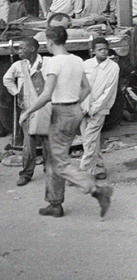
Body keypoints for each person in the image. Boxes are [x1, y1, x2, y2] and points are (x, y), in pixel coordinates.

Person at [19, 25, 113, 218]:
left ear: (50, 42)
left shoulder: (53, 63)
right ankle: (55, 203)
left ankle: (96, 189)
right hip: (74, 110)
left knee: (59, 162)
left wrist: (27, 111)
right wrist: (74, 102)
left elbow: (46, 94)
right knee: (54, 159)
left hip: (61, 112)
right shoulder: (77, 60)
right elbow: (86, 88)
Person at [3, 37, 49, 187]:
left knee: (48, 142)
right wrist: (17, 92)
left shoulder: (47, 63)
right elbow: (7, 79)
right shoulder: (18, 65)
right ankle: (26, 173)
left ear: (32, 49)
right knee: (28, 144)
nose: (19, 51)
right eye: (18, 48)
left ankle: (49, 170)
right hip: (27, 109)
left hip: (45, 108)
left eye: (22, 48)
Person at [79, 37, 119, 180]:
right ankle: (99, 167)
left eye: (105, 49)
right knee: (89, 139)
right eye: (100, 50)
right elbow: (81, 86)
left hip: (100, 108)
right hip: (83, 107)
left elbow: (108, 91)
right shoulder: (86, 65)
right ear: (93, 51)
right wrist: (83, 106)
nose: (103, 52)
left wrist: (94, 108)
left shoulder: (113, 67)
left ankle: (83, 173)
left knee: (89, 139)